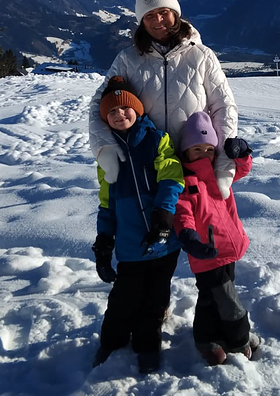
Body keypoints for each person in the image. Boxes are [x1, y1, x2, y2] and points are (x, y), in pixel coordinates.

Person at [89, 0, 239, 201]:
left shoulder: (202, 56)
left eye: (164, 12)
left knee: (200, 231)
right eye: (149, 15)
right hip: (148, 164)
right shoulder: (128, 59)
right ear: (141, 21)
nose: (158, 20)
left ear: (175, 14)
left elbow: (224, 106)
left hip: (196, 163)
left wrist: (224, 161)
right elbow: (99, 105)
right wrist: (105, 147)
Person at [91, 76, 185, 374]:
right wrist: (105, 241)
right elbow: (107, 203)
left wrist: (165, 215)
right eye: (112, 112)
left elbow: (171, 176)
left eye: (125, 109)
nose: (120, 115)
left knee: (154, 301)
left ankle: (148, 347)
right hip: (131, 246)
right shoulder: (107, 156)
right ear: (105, 119)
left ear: (138, 110)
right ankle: (111, 341)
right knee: (123, 299)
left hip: (164, 240)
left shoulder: (157, 140)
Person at [173, 111, 260, 365]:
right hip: (207, 253)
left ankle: (207, 338)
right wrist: (188, 235)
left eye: (209, 148)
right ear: (185, 151)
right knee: (226, 298)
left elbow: (241, 169)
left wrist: (242, 153)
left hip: (228, 248)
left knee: (210, 298)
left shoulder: (219, 173)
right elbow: (182, 213)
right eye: (196, 148)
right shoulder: (186, 181)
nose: (203, 154)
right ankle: (239, 339)